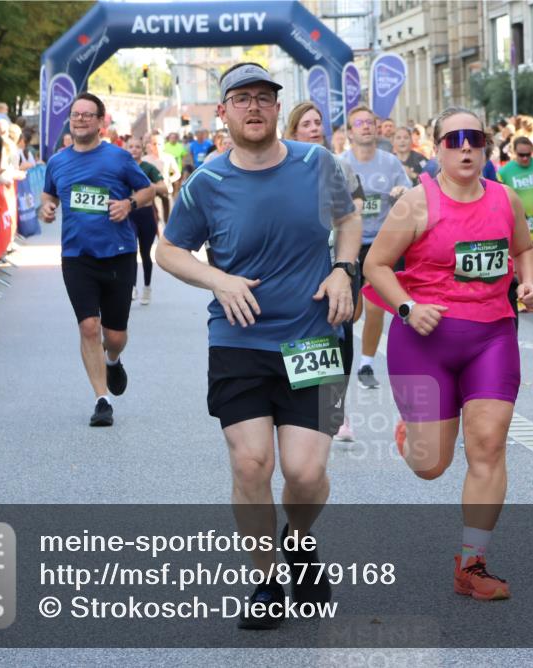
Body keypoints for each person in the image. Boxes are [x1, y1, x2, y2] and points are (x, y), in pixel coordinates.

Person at [155, 62, 361, 630]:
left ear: (277, 108)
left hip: (313, 336)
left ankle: (298, 540)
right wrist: (217, 280)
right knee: (251, 463)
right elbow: (167, 251)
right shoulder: (207, 182)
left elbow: (348, 218)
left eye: (264, 99)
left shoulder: (317, 163)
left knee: (304, 472)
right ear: (222, 112)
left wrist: (345, 268)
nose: (254, 108)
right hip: (239, 340)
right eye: (241, 99)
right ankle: (267, 577)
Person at [363, 106, 533, 601]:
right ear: (437, 148)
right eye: (454, 139)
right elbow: (375, 266)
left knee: (488, 444)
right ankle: (412, 433)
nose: (466, 147)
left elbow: (524, 251)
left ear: (486, 146)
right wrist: (406, 307)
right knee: (431, 465)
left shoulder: (505, 199)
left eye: (475, 138)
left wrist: (528, 283)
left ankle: (472, 563)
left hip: (492, 336)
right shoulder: (417, 204)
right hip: (424, 341)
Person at [39, 93, 155, 427]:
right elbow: (48, 195)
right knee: (88, 326)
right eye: (76, 115)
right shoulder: (58, 162)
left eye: (88, 115)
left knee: (114, 334)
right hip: (77, 256)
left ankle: (113, 359)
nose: (80, 120)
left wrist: (128, 205)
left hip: (117, 254)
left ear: (100, 122)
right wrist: (46, 208)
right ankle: (101, 399)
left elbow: (149, 190)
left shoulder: (118, 158)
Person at [285, 101, 366, 443]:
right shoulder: (284, 167)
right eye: (307, 123)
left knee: (342, 333)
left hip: (340, 260)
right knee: (308, 332)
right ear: (293, 130)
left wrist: (340, 218)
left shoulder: (339, 165)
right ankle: (304, 407)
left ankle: (335, 403)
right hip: (301, 264)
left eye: (318, 122)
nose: (315, 127)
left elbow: (358, 204)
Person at [341, 105, 411, 390]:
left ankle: (366, 364)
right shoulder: (340, 163)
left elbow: (408, 192)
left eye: (370, 122)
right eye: (359, 123)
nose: (366, 126)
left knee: (375, 307)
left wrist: (401, 193)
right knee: (351, 312)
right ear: (349, 132)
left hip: (381, 243)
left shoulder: (390, 163)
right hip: (349, 242)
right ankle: (344, 362)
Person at [499, 136, 533, 286]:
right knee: (519, 259)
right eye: (521, 155)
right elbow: (499, 195)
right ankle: (523, 289)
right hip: (517, 222)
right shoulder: (505, 172)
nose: (525, 159)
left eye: (528, 155)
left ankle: (531, 285)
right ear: (514, 152)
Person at [125, 136, 167, 305]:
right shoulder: (122, 166)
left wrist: (148, 187)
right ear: (126, 148)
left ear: (142, 150)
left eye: (137, 147)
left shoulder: (148, 168)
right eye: (130, 146)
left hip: (146, 213)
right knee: (131, 251)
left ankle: (147, 287)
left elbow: (164, 187)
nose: (133, 149)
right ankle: (132, 286)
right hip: (129, 213)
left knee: (145, 253)